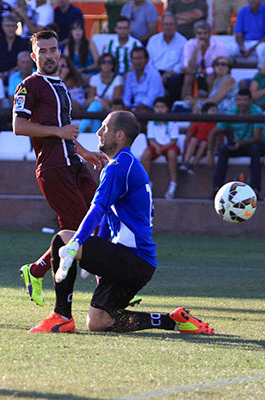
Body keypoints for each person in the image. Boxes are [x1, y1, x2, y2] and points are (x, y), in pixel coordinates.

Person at [29, 110, 214, 335]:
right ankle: (172, 321)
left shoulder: (118, 167)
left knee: (62, 239)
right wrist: (95, 250)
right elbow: (108, 216)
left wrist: (76, 243)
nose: (98, 132)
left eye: (104, 128)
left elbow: (97, 210)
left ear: (120, 136)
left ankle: (62, 316)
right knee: (98, 322)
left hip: (132, 259)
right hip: (138, 263)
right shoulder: (126, 165)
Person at [13, 29, 107, 307]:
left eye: (53, 49)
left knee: (99, 220)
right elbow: (19, 127)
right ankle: (106, 287)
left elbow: (65, 133)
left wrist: (86, 152)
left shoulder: (62, 86)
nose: (49, 55)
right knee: (80, 230)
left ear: (60, 52)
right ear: (34, 56)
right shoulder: (29, 86)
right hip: (54, 170)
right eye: (43, 51)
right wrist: (59, 132)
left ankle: (36, 270)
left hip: (75, 165)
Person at [208, 89, 265, 196]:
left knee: (255, 149)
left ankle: (255, 189)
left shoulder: (257, 112)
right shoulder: (231, 113)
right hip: (239, 145)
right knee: (223, 150)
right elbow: (213, 132)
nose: (242, 103)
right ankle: (217, 189)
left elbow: (257, 137)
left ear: (250, 101)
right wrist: (210, 152)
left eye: (245, 100)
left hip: (257, 145)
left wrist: (241, 143)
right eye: (239, 100)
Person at [140, 97, 180, 199]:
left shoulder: (172, 122)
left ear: (167, 109)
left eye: (162, 107)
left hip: (169, 147)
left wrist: (163, 148)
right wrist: (157, 147)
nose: (160, 109)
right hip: (156, 146)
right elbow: (151, 139)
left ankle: (173, 184)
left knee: (172, 154)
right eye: (157, 107)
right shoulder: (151, 123)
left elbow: (174, 140)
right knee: (145, 154)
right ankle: (146, 183)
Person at [146, 13, 187, 105]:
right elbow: (148, 61)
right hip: (155, 72)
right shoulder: (153, 40)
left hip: (173, 74)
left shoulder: (183, 41)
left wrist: (168, 74)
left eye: (171, 24)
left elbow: (183, 63)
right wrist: (157, 75)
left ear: (176, 26)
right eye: (166, 24)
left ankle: (171, 108)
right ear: (162, 25)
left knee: (175, 80)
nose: (168, 27)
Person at [181, 20, 227, 99]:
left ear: (210, 34)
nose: (202, 36)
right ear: (195, 35)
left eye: (205, 33)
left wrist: (205, 71)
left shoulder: (219, 46)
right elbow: (189, 66)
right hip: (194, 72)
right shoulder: (189, 44)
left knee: (211, 77)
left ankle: (211, 102)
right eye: (199, 33)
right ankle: (185, 102)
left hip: (212, 73)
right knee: (188, 77)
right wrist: (197, 49)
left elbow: (221, 65)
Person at [80, 53, 124, 133]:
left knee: (95, 105)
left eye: (109, 62)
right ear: (100, 65)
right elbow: (88, 102)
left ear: (113, 65)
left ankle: (78, 131)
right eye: (103, 62)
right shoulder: (94, 78)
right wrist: (98, 100)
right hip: (97, 108)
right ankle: (96, 136)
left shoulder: (118, 79)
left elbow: (116, 102)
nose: (106, 64)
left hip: (111, 108)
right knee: (95, 107)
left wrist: (99, 100)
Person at [122, 47, 165, 112]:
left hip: (153, 109)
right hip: (135, 108)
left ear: (147, 60)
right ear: (131, 60)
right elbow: (126, 97)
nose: (138, 62)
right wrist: (127, 107)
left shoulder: (154, 74)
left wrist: (135, 110)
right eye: (135, 59)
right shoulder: (130, 75)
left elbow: (151, 98)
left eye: (140, 58)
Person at [0, 13, 30, 79]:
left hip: (17, 74)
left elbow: (24, 62)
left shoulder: (23, 42)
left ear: (17, 27)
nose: (10, 29)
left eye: (13, 26)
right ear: (3, 27)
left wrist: (8, 73)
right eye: (8, 26)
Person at [180, 101, 217, 174]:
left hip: (207, 146)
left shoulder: (216, 124)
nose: (215, 112)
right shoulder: (198, 121)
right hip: (196, 144)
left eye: (216, 110)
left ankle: (193, 164)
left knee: (204, 143)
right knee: (194, 140)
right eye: (212, 110)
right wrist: (185, 150)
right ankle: (186, 162)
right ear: (205, 112)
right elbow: (190, 135)